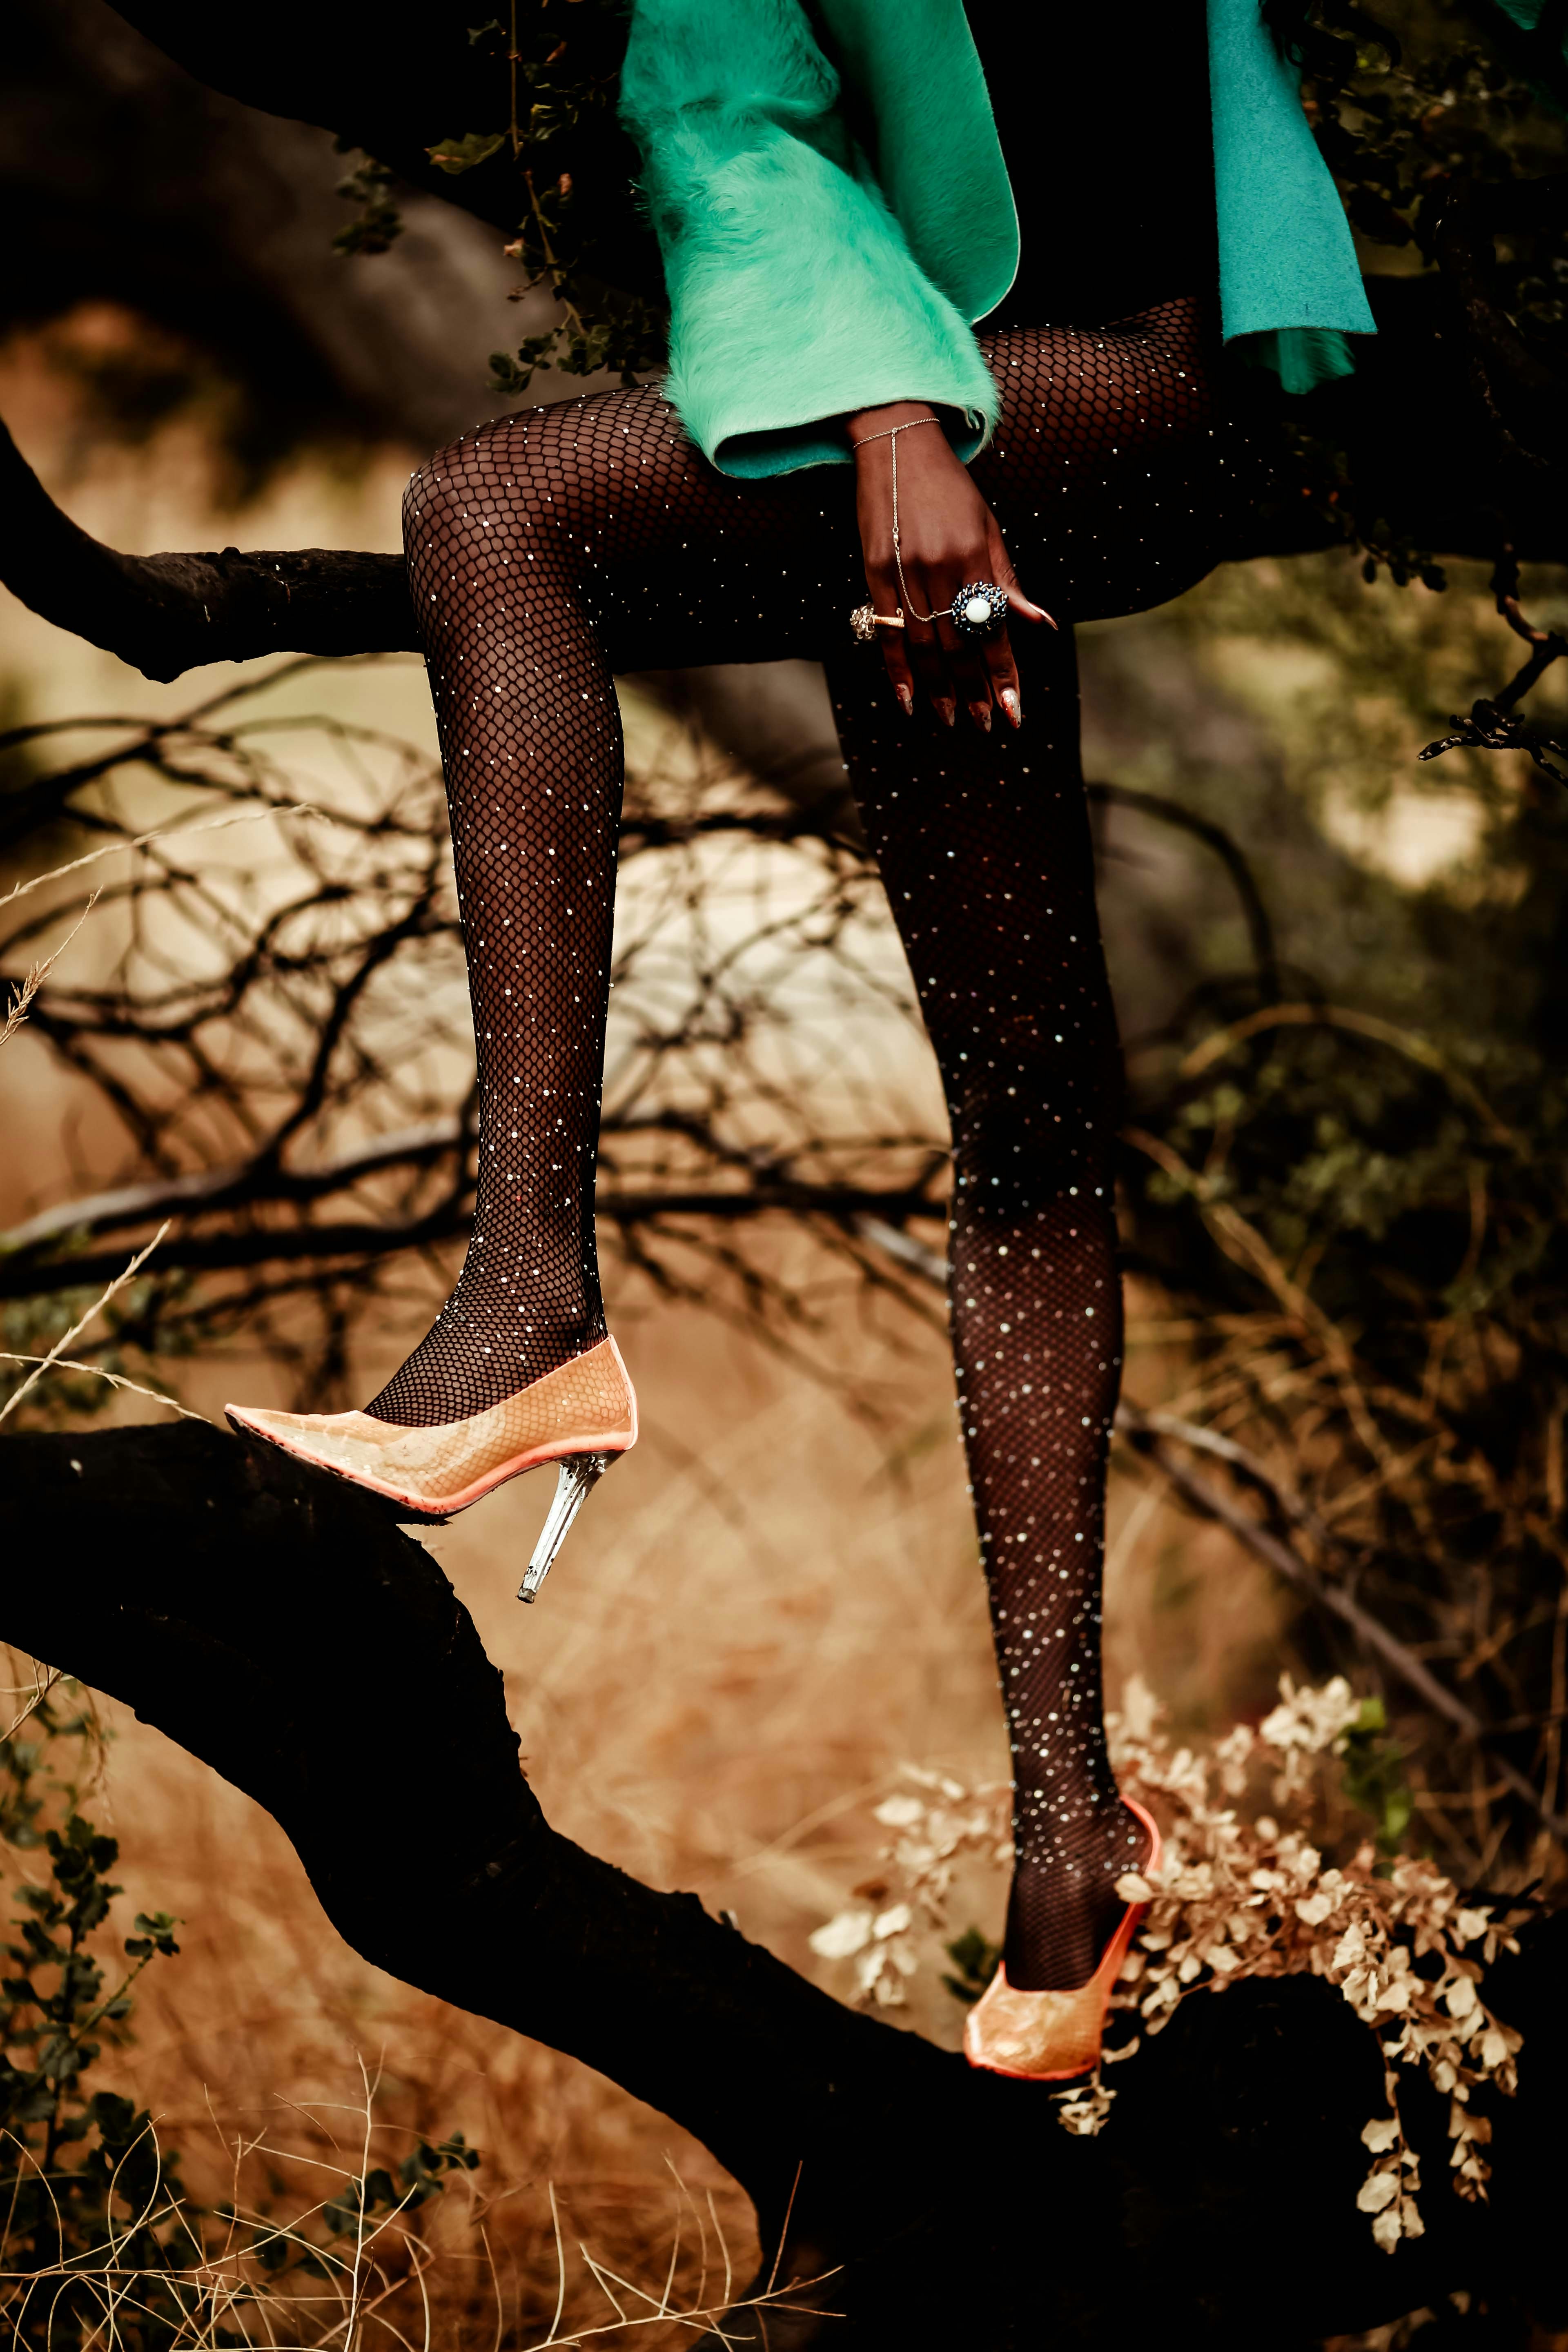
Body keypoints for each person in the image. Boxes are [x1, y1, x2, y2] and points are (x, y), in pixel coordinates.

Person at [225, 0, 1373, 2078]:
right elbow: (721, 99)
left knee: (495, 510)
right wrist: (888, 430)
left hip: (1144, 381)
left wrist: (895, 426)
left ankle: (529, 1298)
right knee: (1024, 1116)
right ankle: (1069, 1841)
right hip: (916, 396)